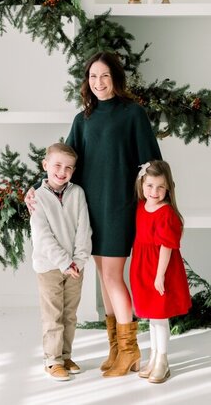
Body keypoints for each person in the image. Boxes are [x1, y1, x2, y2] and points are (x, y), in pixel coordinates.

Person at [26, 52, 162, 377]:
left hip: (118, 207)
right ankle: (116, 348)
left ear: (115, 77)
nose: (98, 83)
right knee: (104, 279)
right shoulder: (82, 119)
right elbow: (64, 162)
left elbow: (152, 163)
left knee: (114, 277)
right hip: (88, 213)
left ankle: (129, 350)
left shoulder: (133, 114)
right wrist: (37, 188)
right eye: (92, 77)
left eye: (104, 76)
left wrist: (152, 204)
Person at [29, 143, 92, 381]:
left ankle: (65, 356)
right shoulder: (37, 197)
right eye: (57, 165)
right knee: (52, 315)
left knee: (69, 315)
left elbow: (83, 228)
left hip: (75, 267)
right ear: (45, 165)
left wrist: (79, 260)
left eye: (68, 167)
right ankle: (52, 360)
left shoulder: (77, 193)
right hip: (49, 267)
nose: (62, 171)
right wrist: (64, 261)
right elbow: (42, 235)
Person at [129, 160, 190, 384]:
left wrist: (159, 275)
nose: (154, 192)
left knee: (160, 316)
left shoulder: (166, 213)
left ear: (168, 188)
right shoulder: (140, 208)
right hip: (142, 267)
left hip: (160, 269)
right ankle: (154, 357)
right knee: (152, 317)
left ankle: (162, 361)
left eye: (160, 187)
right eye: (150, 185)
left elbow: (166, 247)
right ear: (142, 184)